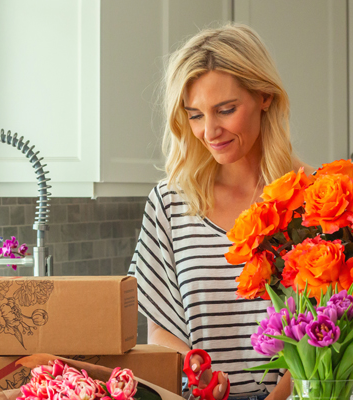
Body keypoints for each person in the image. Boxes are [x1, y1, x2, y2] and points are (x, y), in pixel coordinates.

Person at [128, 24, 305, 400]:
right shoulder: (170, 204)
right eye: (194, 115)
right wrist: (198, 374)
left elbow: (327, 326)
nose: (209, 131)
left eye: (225, 110)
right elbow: (160, 329)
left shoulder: (311, 201)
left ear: (264, 96)